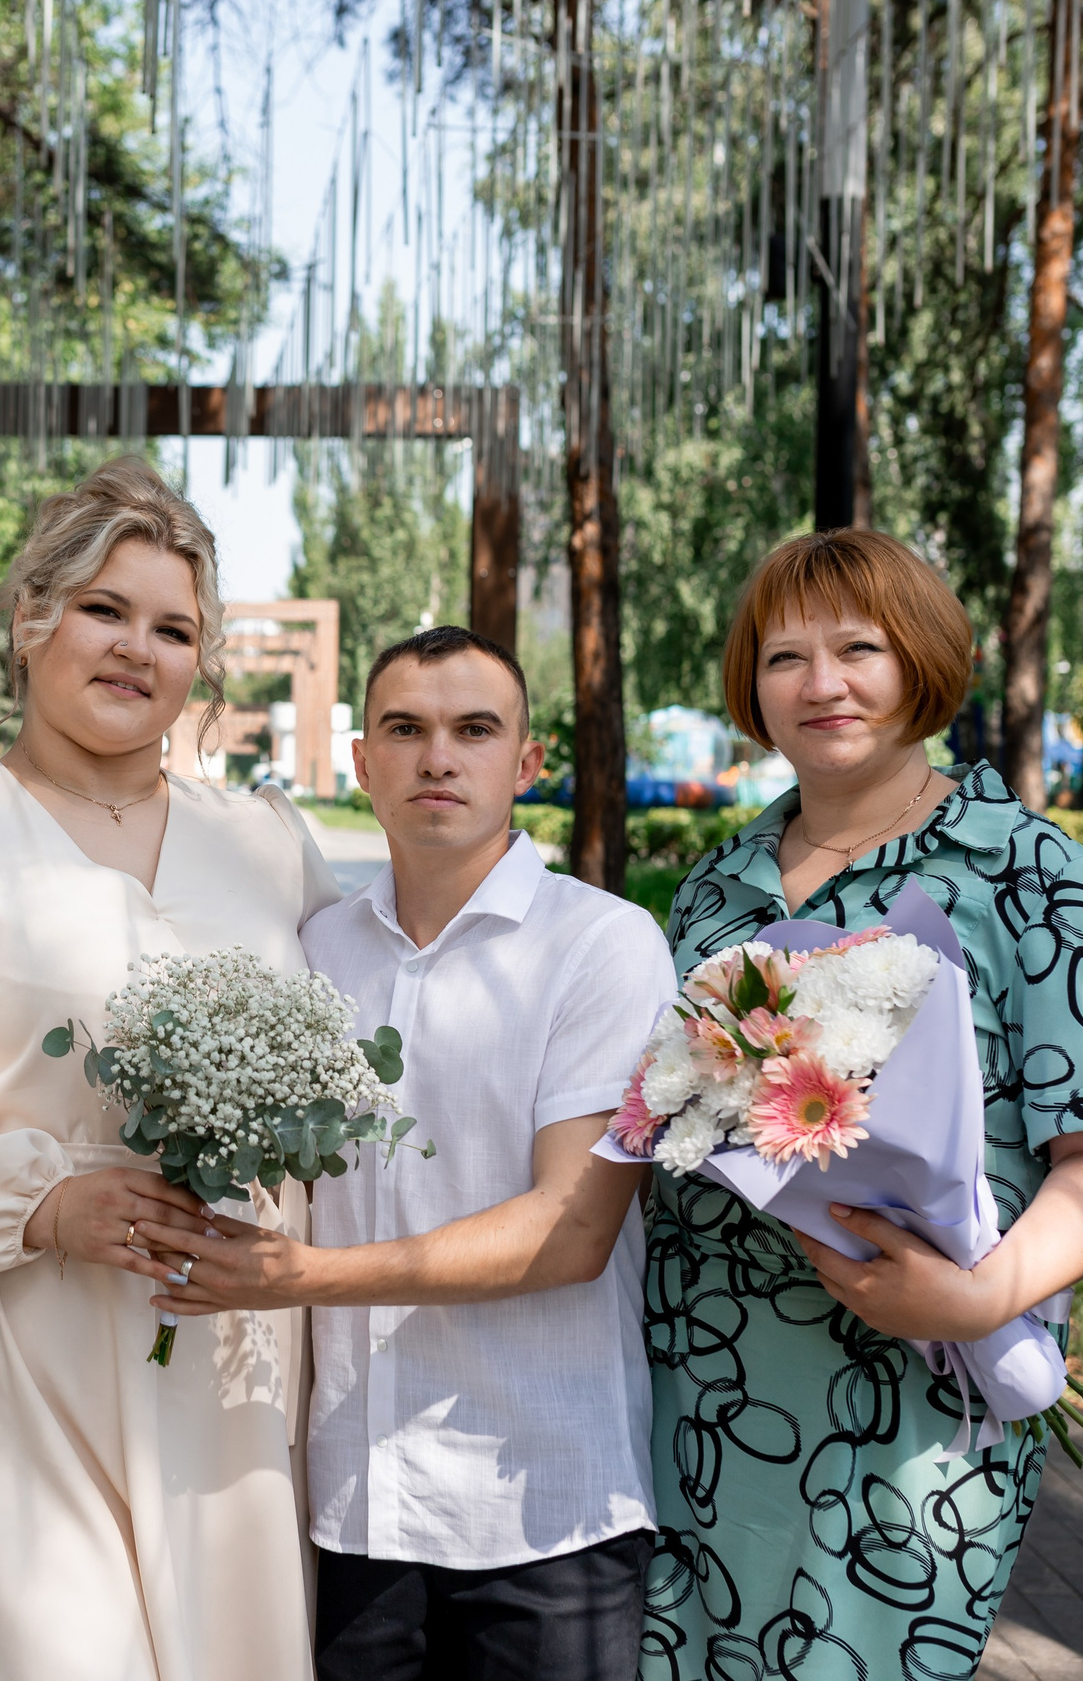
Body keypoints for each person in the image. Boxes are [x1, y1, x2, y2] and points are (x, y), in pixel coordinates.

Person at [0, 457, 338, 1681]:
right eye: (103, 608)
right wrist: (38, 1200)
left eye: (172, 628)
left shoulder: (268, 844)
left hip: (216, 1354)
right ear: (31, 616)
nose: (137, 647)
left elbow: (363, 1042)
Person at [638, 529, 1083, 1681]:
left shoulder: (1027, 872)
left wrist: (980, 1298)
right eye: (784, 656)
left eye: (857, 648)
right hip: (695, 1381)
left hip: (911, 1396)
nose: (819, 683)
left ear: (921, 658)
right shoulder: (716, 883)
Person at [141, 626, 679, 1681]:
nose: (438, 757)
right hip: (356, 1500)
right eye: (405, 729)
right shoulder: (314, 949)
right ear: (362, 762)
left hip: (546, 1500)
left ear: (526, 762)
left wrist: (300, 1279)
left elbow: (571, 1231)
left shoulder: (603, 944)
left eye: (474, 730)